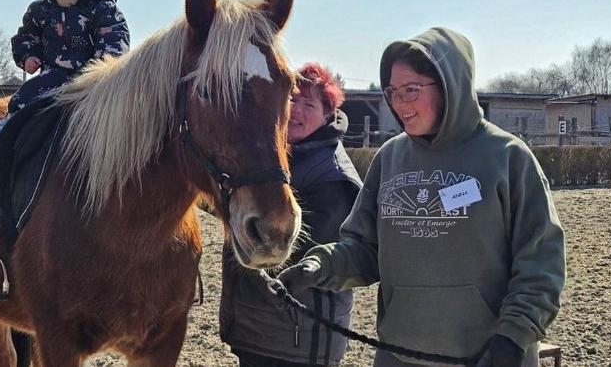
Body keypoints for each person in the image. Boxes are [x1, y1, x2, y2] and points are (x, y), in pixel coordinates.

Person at [278, 28, 566, 367]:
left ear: (449, 86)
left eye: (412, 90)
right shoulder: (389, 158)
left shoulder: (508, 158)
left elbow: (541, 261)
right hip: (399, 354)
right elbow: (364, 248)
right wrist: (320, 265)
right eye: (393, 92)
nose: (399, 103)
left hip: (487, 356)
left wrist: (514, 336)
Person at [220, 63, 363, 366]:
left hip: (298, 339)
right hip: (262, 330)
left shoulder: (331, 177)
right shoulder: (275, 161)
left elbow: (293, 252)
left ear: (328, 115)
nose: (295, 110)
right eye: (291, 100)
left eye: (308, 104)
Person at [0, 0, 130, 148]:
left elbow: (115, 37)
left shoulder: (102, 8)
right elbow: (26, 36)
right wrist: (28, 56)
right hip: (53, 74)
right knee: (27, 93)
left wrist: (104, 67)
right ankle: (8, 126)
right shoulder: (41, 10)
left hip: (91, 77)